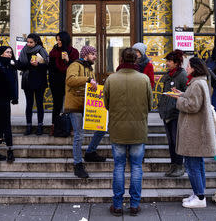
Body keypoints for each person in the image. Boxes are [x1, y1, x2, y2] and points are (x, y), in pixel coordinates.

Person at [104, 48, 152, 217]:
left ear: (121, 59)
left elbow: (106, 104)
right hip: (138, 129)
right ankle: (134, 204)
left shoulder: (111, 79)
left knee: (118, 166)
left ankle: (117, 205)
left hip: (118, 129)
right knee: (137, 167)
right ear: (136, 60)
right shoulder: (144, 79)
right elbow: (150, 104)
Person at [167, 57, 216, 208]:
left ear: (195, 68)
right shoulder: (200, 82)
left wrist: (179, 100)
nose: (187, 68)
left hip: (193, 131)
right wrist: (182, 94)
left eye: (188, 66)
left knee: (192, 165)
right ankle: (198, 193)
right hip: (196, 130)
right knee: (197, 164)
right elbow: (194, 101)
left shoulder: (196, 84)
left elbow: (193, 106)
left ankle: (200, 197)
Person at [64, 45, 106, 178]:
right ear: (86, 54)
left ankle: (90, 152)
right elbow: (70, 80)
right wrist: (88, 80)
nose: (95, 57)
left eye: (95, 54)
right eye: (93, 54)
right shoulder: (75, 65)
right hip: (75, 105)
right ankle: (78, 165)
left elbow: (91, 85)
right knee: (78, 135)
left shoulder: (89, 68)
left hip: (89, 106)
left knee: (102, 128)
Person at [157, 50, 188, 177]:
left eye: (169, 61)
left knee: (177, 141)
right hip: (166, 113)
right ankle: (173, 165)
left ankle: (180, 166)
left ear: (176, 63)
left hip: (176, 113)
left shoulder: (182, 75)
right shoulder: (169, 74)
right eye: (167, 61)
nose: (167, 63)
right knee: (170, 142)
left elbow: (186, 94)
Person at [0, 45, 19, 163]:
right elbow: (9, 80)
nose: (10, 54)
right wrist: (11, 65)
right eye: (7, 52)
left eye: (11, 52)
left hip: (1, 97)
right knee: (5, 123)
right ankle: (9, 152)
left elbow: (13, 81)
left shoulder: (5, 64)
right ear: (1, 54)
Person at [16, 33, 49, 136]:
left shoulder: (41, 50)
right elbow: (21, 65)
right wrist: (28, 64)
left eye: (31, 42)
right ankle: (29, 126)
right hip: (27, 80)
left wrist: (38, 64)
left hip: (39, 80)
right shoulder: (24, 50)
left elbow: (47, 65)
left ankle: (40, 126)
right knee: (29, 104)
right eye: (28, 42)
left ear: (36, 42)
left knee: (39, 104)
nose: (29, 44)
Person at [48, 31, 79, 135]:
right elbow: (51, 68)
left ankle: (69, 127)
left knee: (69, 105)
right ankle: (55, 126)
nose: (58, 42)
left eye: (60, 39)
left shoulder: (73, 52)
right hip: (56, 81)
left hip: (69, 81)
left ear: (65, 40)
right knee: (56, 104)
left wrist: (68, 60)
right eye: (57, 39)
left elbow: (75, 67)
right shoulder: (53, 52)